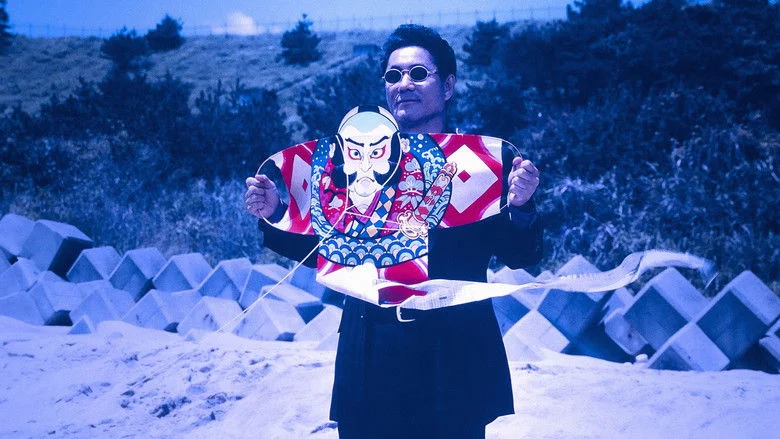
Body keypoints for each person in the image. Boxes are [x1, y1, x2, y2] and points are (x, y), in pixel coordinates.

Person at [245, 24, 543, 439]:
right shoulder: (355, 164)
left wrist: (522, 205)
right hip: (370, 361)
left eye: (418, 73)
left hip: (451, 366)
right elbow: (326, 249)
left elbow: (523, 255)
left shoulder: (481, 164)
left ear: (448, 85)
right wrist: (275, 211)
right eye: (393, 75)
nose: (404, 84)